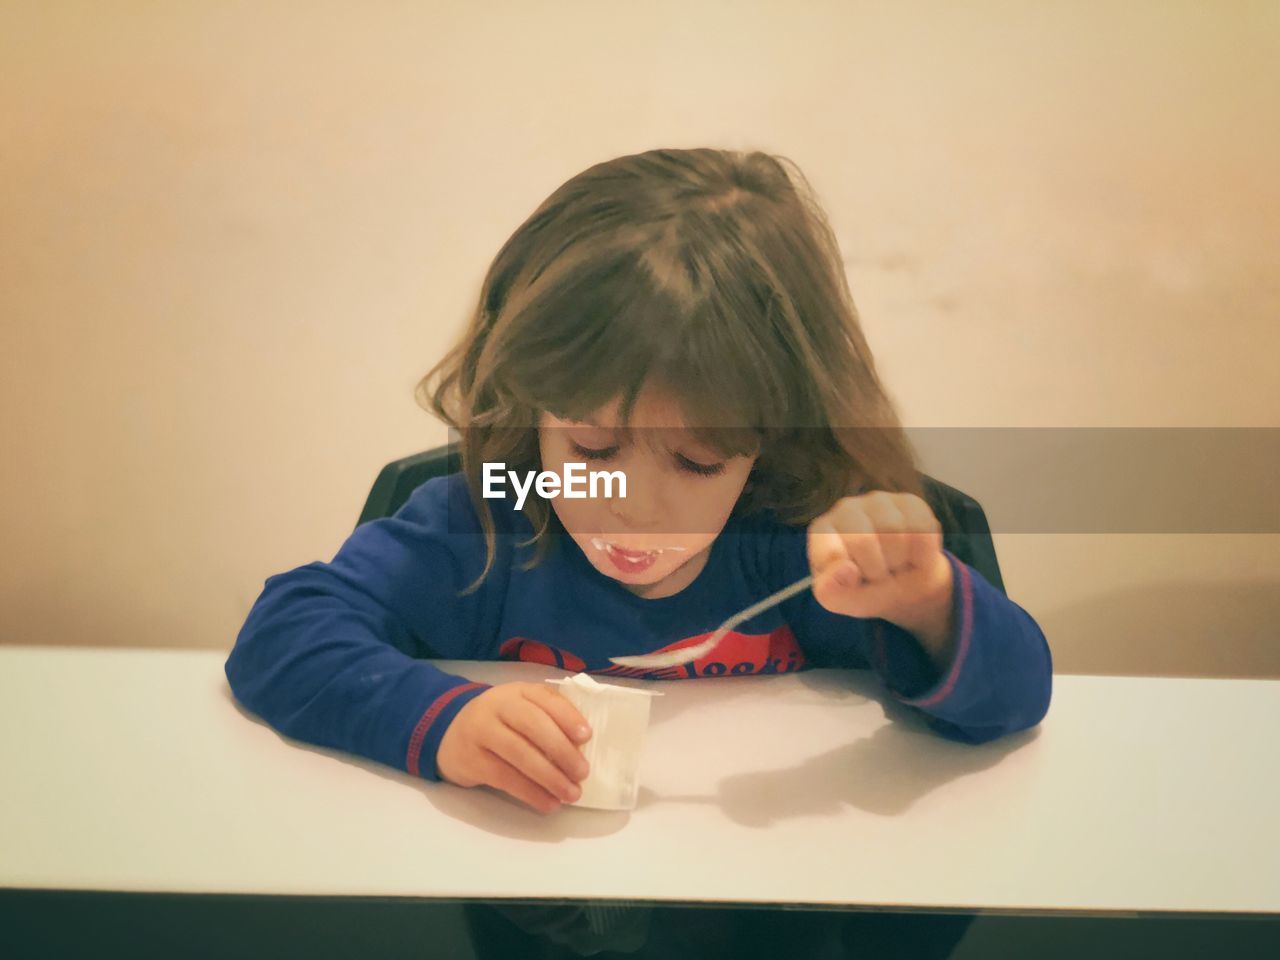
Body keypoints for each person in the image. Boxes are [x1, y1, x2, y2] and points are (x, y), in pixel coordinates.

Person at [225, 147, 1052, 957]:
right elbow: (283, 633)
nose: (634, 507)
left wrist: (926, 604)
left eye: (696, 463)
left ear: (770, 442)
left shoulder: (790, 539)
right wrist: (445, 721)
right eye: (590, 449)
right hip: (540, 915)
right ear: (534, 406)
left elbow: (1017, 700)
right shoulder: (498, 523)